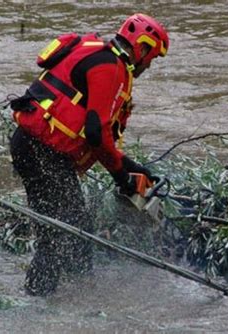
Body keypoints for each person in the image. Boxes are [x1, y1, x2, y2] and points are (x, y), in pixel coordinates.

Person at [9, 13, 169, 296]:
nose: (149, 65)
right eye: (152, 58)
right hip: (43, 153)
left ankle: (72, 296)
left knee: (73, 229)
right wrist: (121, 177)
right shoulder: (112, 68)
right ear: (142, 48)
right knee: (60, 232)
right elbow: (95, 133)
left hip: (31, 145)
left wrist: (130, 166)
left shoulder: (97, 53)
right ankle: (37, 302)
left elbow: (96, 134)